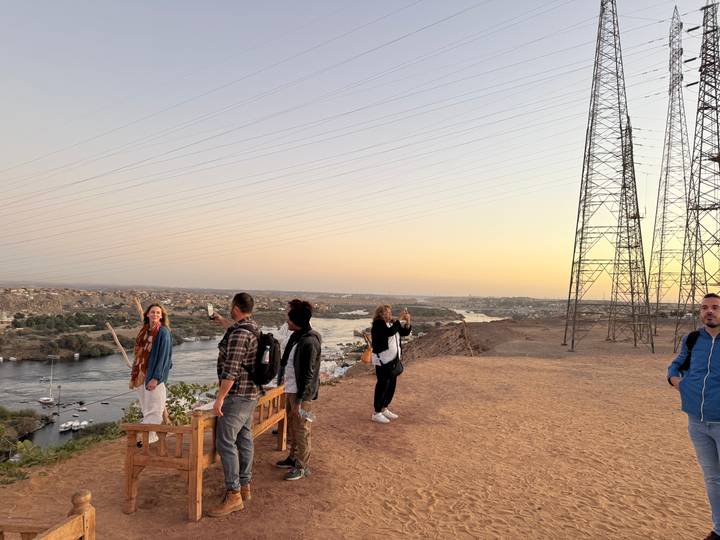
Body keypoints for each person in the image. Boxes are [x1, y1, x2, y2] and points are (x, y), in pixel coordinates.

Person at [668, 293, 720, 540]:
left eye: (716, 307)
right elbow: (676, 365)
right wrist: (675, 380)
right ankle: (719, 530)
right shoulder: (691, 339)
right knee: (712, 480)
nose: (710, 311)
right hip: (697, 423)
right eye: (705, 307)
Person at [207, 292, 260, 517]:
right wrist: (220, 320)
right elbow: (235, 328)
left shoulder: (240, 335)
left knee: (225, 442)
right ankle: (245, 485)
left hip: (237, 395)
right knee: (244, 438)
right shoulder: (252, 327)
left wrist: (219, 399)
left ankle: (234, 494)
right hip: (251, 394)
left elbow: (231, 370)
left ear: (236, 307)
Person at [275, 300, 322, 481]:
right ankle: (293, 458)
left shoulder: (309, 341)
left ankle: (302, 467)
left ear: (297, 322)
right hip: (292, 389)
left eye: (289, 319)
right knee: (294, 428)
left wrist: (301, 400)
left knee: (302, 429)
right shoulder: (298, 337)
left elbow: (309, 374)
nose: (287, 322)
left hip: (301, 394)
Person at [129, 303, 173, 446]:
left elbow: (164, 357)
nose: (155, 315)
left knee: (155, 407)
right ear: (147, 314)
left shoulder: (163, 332)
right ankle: (150, 438)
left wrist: (156, 378)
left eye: (158, 313)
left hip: (154, 376)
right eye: (152, 312)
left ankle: (147, 438)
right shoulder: (144, 331)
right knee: (146, 407)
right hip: (141, 374)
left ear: (161, 316)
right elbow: (139, 353)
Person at [370, 304, 411, 424]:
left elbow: (404, 332)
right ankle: (376, 413)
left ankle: (384, 408)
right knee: (382, 385)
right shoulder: (378, 324)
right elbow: (390, 332)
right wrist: (399, 319)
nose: (389, 314)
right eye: (386, 312)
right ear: (380, 314)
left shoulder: (391, 323)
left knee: (391, 385)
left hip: (393, 360)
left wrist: (408, 322)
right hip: (383, 360)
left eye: (389, 312)